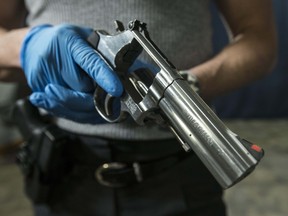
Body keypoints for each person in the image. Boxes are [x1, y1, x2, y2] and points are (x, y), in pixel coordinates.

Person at [0, 0, 277, 216]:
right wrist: (28, 46)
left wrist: (185, 87)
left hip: (176, 168)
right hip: (59, 168)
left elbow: (259, 41)